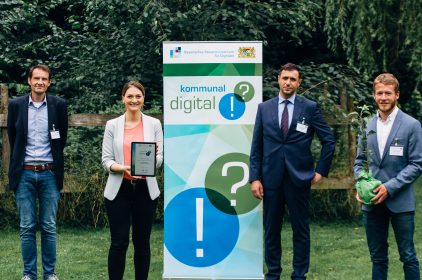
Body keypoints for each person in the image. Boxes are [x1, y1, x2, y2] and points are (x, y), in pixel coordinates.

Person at [249, 63, 336, 279]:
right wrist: (254, 178)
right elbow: (256, 146)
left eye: (293, 79)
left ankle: (299, 274)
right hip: (271, 179)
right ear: (278, 79)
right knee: (271, 231)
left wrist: (320, 172)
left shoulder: (309, 107)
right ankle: (273, 273)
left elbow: (329, 140)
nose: (288, 82)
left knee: (301, 231)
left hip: (299, 178)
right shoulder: (264, 108)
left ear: (299, 83)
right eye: (285, 78)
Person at [354, 73, 422, 279]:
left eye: (388, 93)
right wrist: (361, 185)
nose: (383, 97)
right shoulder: (366, 125)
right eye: (379, 93)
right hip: (372, 203)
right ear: (374, 96)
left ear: (397, 95)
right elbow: (359, 162)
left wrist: (389, 187)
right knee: (377, 257)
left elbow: (417, 164)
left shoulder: (411, 125)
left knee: (408, 255)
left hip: (400, 201)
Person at [7, 64, 68, 280]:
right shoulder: (16, 105)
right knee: (26, 227)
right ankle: (29, 274)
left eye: (44, 79)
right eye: (36, 78)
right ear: (29, 81)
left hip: (49, 172)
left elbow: (62, 138)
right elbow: (13, 138)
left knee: (49, 226)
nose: (40, 82)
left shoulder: (59, 105)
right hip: (24, 172)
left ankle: (50, 274)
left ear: (49, 82)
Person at [101, 81, 163, 280]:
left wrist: (149, 163)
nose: (134, 100)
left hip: (145, 189)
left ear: (143, 99)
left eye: (138, 96)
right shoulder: (112, 125)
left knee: (142, 242)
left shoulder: (154, 124)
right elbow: (106, 160)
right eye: (130, 96)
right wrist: (123, 167)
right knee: (119, 242)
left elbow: (160, 156)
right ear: (123, 99)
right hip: (119, 188)